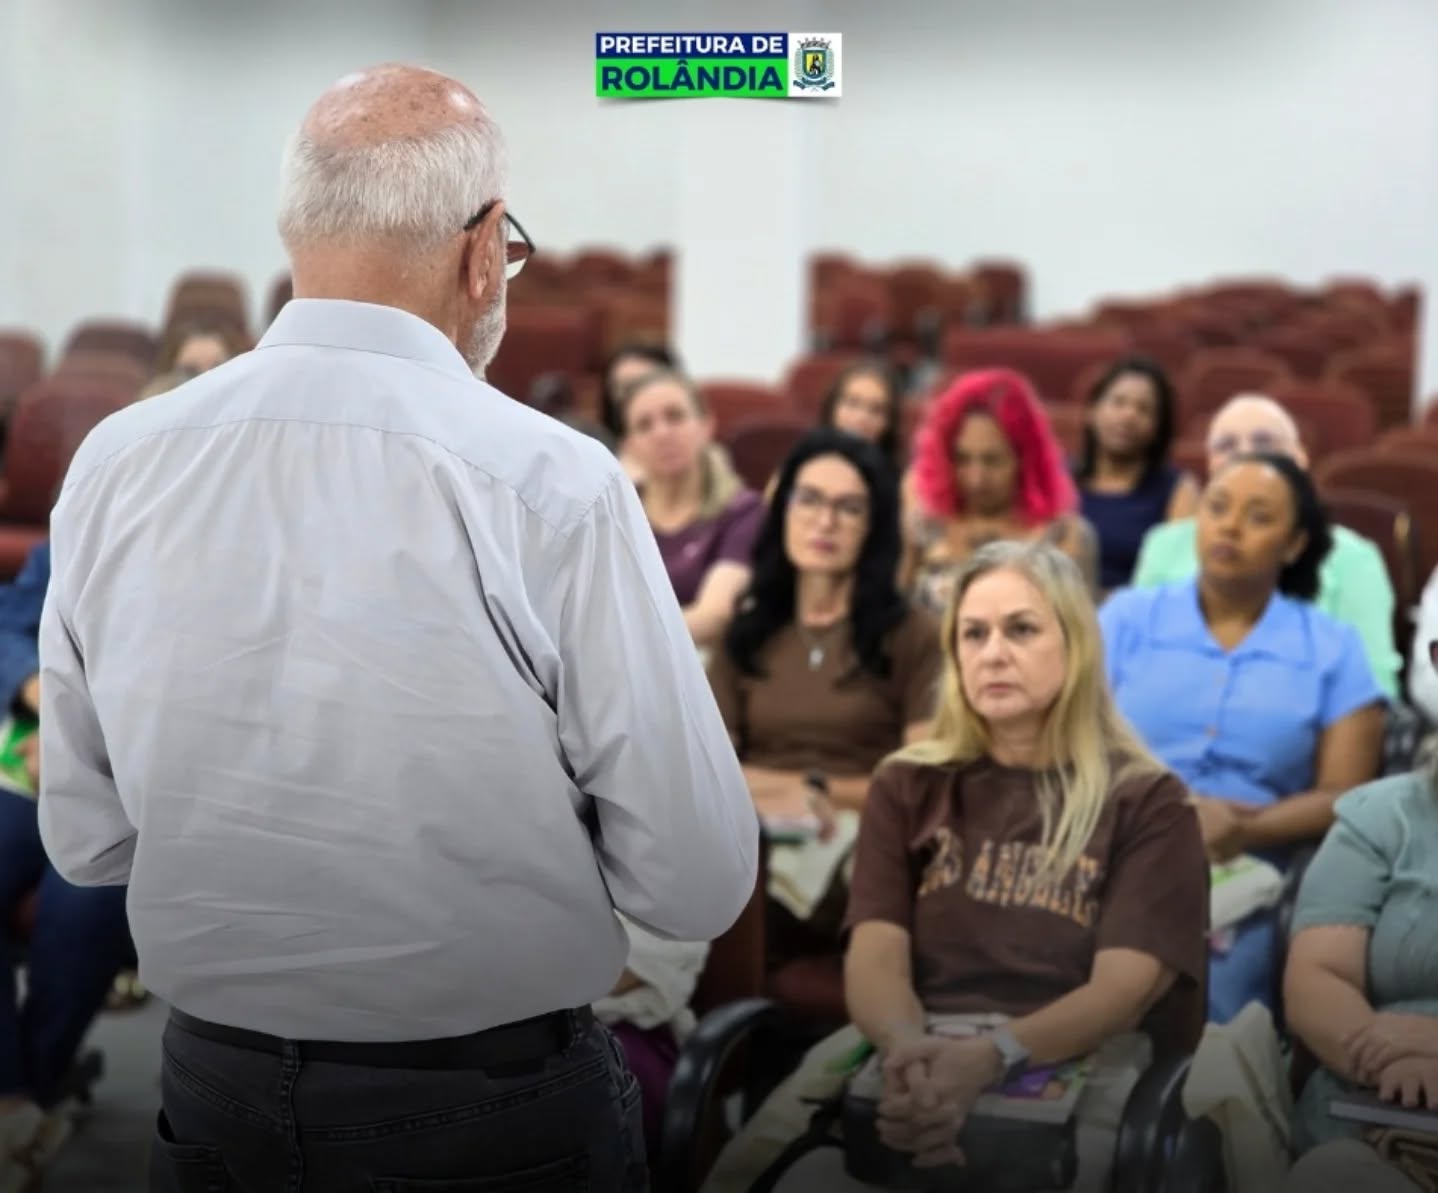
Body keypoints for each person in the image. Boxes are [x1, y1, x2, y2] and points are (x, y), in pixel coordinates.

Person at [37, 64, 758, 1193]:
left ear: (299, 228)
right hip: (489, 1107)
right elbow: (696, 878)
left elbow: (87, 840)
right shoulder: (552, 483)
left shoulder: (116, 464)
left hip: (213, 1084)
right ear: (482, 252)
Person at [700, 541, 1209, 1193]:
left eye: (1020, 629)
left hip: (1084, 1058)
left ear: (1076, 644)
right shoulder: (907, 783)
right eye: (974, 633)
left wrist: (991, 1057)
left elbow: (1123, 991)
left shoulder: (1148, 800)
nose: (993, 652)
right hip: (912, 1052)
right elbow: (875, 958)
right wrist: (908, 1052)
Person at [1101, 452, 1386, 1023]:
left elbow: (1345, 796)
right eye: (1218, 508)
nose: (1229, 527)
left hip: (1247, 865)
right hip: (1115, 841)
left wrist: (1244, 828)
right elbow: (1072, 743)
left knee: (1214, 1016)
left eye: (1258, 517)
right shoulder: (1126, 619)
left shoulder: (1333, 648)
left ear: (1294, 544)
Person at [705, 429, 941, 957]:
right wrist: (783, 794)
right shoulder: (746, 631)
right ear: (783, 510)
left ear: (873, 526)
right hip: (754, 826)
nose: (825, 521)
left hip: (857, 836)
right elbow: (709, 773)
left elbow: (919, 785)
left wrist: (816, 790)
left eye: (848, 508)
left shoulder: (914, 634)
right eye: (809, 499)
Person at [0, 541, 130, 1189]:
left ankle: (25, 1095)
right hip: (29, 766)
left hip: (129, 778)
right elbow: (9, 625)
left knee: (86, 903)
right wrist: (43, 701)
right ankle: (17, 1103)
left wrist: (85, 744)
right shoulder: (77, 524)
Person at [1131, 393, 1401, 698]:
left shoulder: (1354, 557)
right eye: (1226, 445)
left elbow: (1373, 684)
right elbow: (1136, 659)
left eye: (1264, 442)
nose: (1245, 454)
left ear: (1300, 458)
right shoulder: (1164, 544)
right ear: (1209, 462)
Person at [1282, 767, 1438, 1193]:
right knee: (1332, 1177)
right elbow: (1318, 976)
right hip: (1376, 1107)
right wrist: (1391, 1064)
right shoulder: (1384, 815)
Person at [900, 368, 1097, 616]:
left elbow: (1080, 632)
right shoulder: (924, 527)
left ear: (1026, 460)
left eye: (992, 461)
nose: (976, 478)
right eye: (962, 459)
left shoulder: (1064, 536)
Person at [620, 368, 765, 648]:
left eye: (675, 416)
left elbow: (713, 618)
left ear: (706, 426)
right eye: (644, 425)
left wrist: (620, 641)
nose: (662, 433)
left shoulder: (743, 511)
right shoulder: (615, 513)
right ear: (630, 445)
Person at [1072, 356, 1199, 592]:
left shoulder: (1178, 490)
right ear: (1092, 411)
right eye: (1118, 402)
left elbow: (1179, 581)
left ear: (1158, 427)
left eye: (1144, 409)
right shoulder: (1061, 479)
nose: (1129, 415)